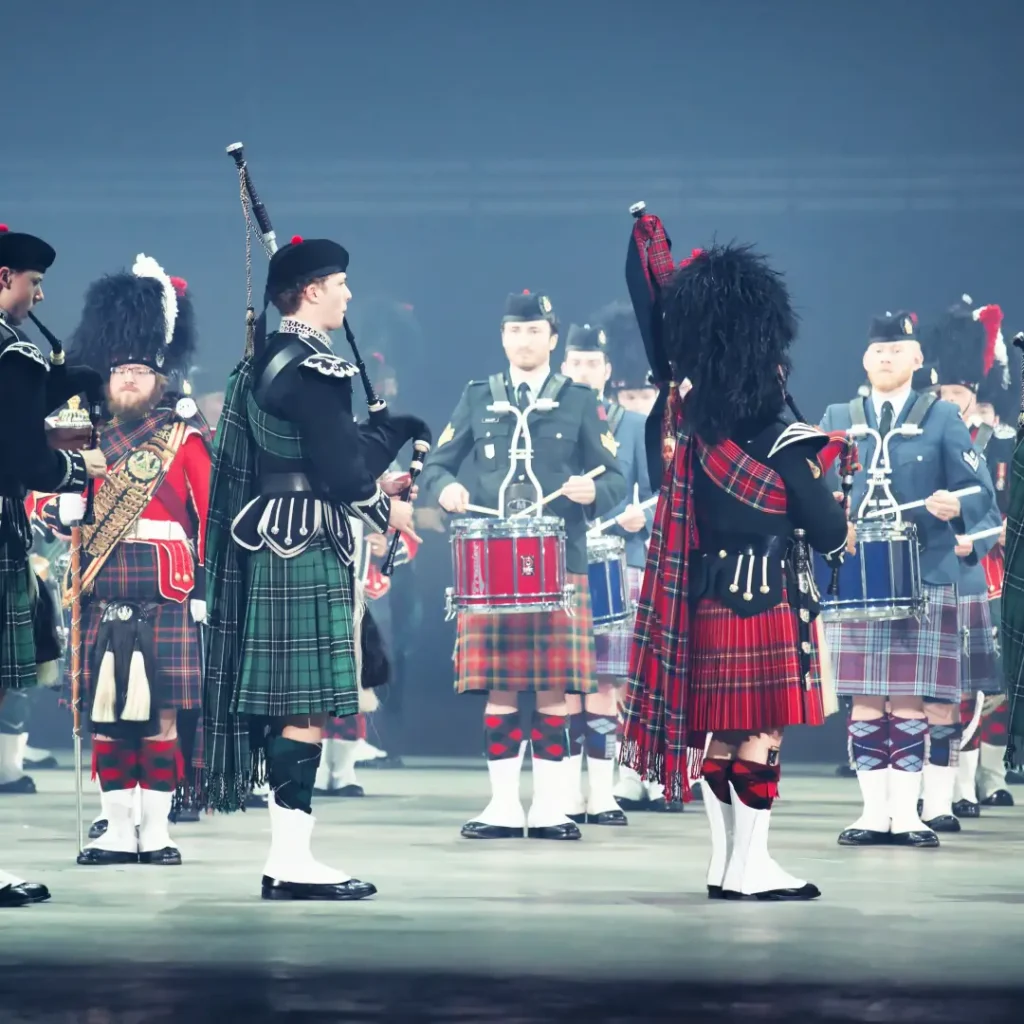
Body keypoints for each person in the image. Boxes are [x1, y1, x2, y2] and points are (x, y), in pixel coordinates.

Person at [621, 243, 848, 901]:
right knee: (761, 734)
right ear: (769, 359)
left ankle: (725, 864)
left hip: (707, 600)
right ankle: (751, 867)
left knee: (721, 734)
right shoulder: (788, 442)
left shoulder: (688, 438)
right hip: (769, 601)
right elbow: (830, 534)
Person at [201, 235, 421, 901]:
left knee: (290, 706)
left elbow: (319, 456)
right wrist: (396, 443)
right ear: (312, 291)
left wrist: (380, 466)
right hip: (309, 546)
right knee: (304, 707)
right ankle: (291, 860)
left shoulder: (268, 361)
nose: (349, 294)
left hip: (274, 540)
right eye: (341, 283)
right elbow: (345, 471)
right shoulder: (316, 368)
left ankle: (287, 854)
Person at [419, 290, 626, 841]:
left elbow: (616, 478)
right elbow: (436, 466)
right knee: (500, 689)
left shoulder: (579, 400)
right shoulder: (478, 397)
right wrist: (448, 489)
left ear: (552, 339)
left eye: (534, 331)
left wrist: (592, 489)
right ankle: (504, 806)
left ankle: (553, 807)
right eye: (515, 331)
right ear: (504, 338)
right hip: (491, 563)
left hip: (563, 562)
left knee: (556, 688)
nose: (523, 340)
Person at [34, 258, 212, 865]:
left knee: (161, 719)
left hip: (167, 593)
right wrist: (55, 509)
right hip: (101, 590)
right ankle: (114, 827)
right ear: (105, 378)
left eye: (141, 371)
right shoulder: (77, 432)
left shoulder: (183, 437)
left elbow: (209, 515)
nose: (130, 380)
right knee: (108, 720)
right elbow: (37, 489)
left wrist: (211, 586)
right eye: (121, 372)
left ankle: (157, 831)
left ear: (162, 379)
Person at [821, 311, 998, 848]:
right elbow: (815, 489)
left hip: (925, 573)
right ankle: (875, 815)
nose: (886, 357)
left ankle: (910, 814)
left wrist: (954, 504)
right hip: (857, 576)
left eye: (898, 349)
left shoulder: (941, 416)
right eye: (878, 350)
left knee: (913, 700)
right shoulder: (838, 415)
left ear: (918, 359)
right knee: (867, 698)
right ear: (864, 359)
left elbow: (980, 493)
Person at [0, 224, 108, 905]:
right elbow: (21, 459)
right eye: (33, 282)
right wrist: (80, 466)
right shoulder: (11, 352)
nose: (38, 294)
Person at [559, 323, 653, 824]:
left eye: (592, 363)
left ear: (608, 371)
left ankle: (604, 792)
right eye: (575, 364)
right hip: (568, 564)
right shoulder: (552, 420)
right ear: (562, 368)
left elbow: (668, 494)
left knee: (608, 683)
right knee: (569, 680)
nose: (583, 371)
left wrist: (647, 517)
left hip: (623, 561)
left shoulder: (635, 425)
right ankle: (570, 792)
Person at [929, 300, 1016, 816]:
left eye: (958, 394)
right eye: (943, 393)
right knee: (945, 682)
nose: (951, 401)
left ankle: (982, 778)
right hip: (937, 567)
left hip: (988, 570)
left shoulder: (996, 442)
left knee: (989, 682)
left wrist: (991, 535)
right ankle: (952, 785)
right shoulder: (927, 436)